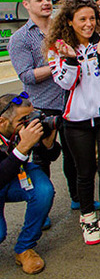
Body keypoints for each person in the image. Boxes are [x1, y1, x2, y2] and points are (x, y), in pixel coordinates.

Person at [46, 0, 100, 252]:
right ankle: (88, 218)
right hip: (76, 121)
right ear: (69, 21)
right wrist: (70, 60)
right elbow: (65, 83)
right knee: (84, 172)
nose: (89, 24)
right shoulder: (57, 48)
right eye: (82, 19)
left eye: (92, 18)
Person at [8, 0, 78, 213]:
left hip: (71, 104)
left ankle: (78, 198)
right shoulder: (20, 39)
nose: (46, 3)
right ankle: (42, 210)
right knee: (41, 162)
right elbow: (27, 76)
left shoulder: (65, 31)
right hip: (43, 108)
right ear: (26, 5)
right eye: (39, 0)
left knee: (74, 157)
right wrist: (60, 64)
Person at [0, 93, 58, 274]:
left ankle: (25, 248)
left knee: (43, 190)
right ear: (2, 122)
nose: (29, 123)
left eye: (31, 116)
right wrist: (23, 147)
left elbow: (51, 156)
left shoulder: (22, 129)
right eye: (23, 119)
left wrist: (48, 142)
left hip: (18, 174)